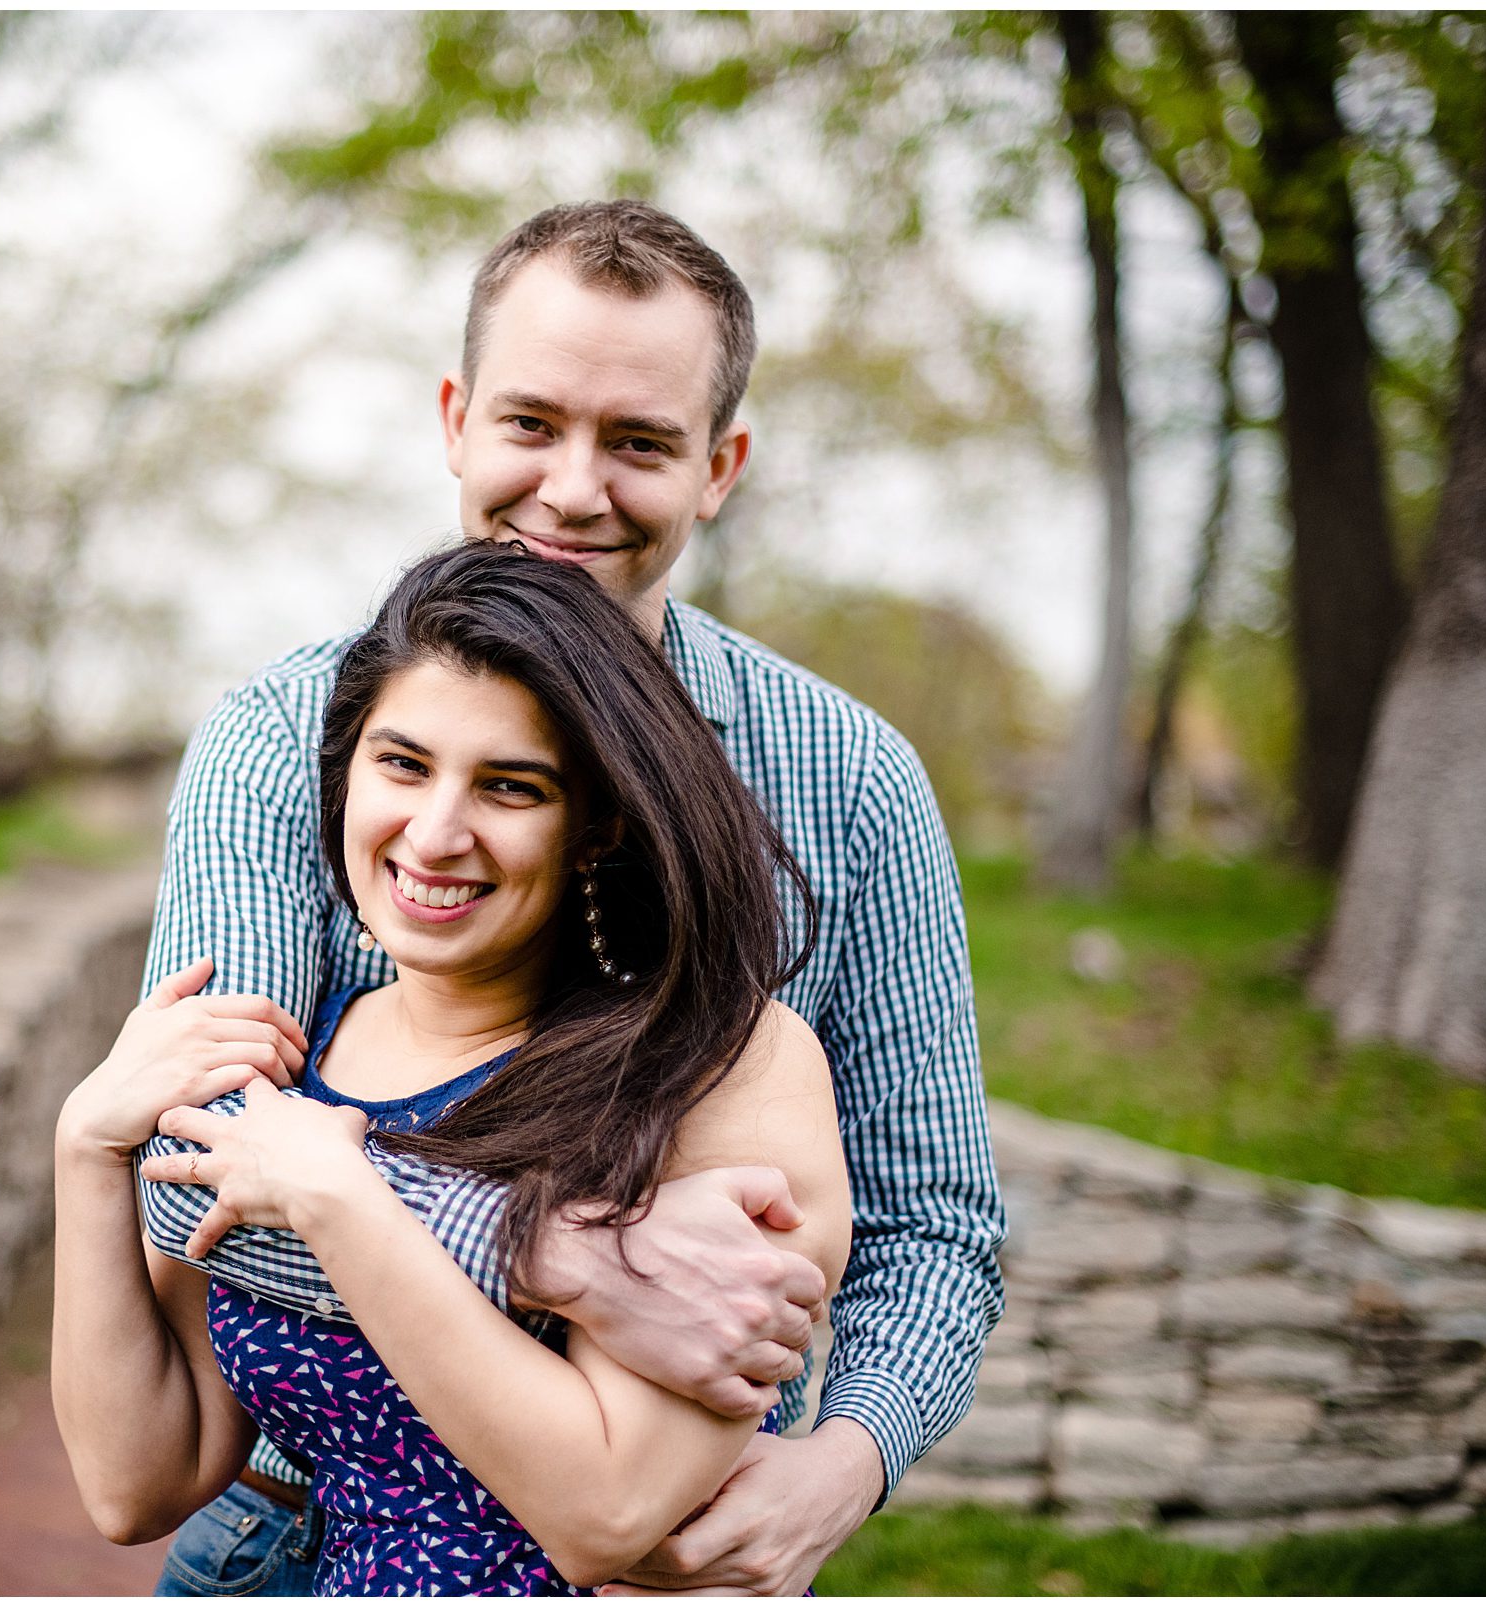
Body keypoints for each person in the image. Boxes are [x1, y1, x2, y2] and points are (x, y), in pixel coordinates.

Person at [127, 200, 1004, 1594]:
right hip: (293, 1529)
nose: (574, 489)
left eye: (640, 442)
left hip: (655, 1542)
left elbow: (936, 1220)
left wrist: (847, 1461)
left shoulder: (849, 779)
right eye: (531, 424)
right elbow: (200, 1170)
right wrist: (562, 1253)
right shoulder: (285, 738)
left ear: (720, 466)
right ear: (457, 421)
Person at [54, 542, 852, 1594]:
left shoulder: (718, 1068)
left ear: (596, 826)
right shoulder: (302, 1054)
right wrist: (84, 1149)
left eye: (510, 786)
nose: (435, 833)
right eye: (403, 763)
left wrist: (342, 1197)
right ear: (345, 773)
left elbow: (604, 1512)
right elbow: (138, 1481)